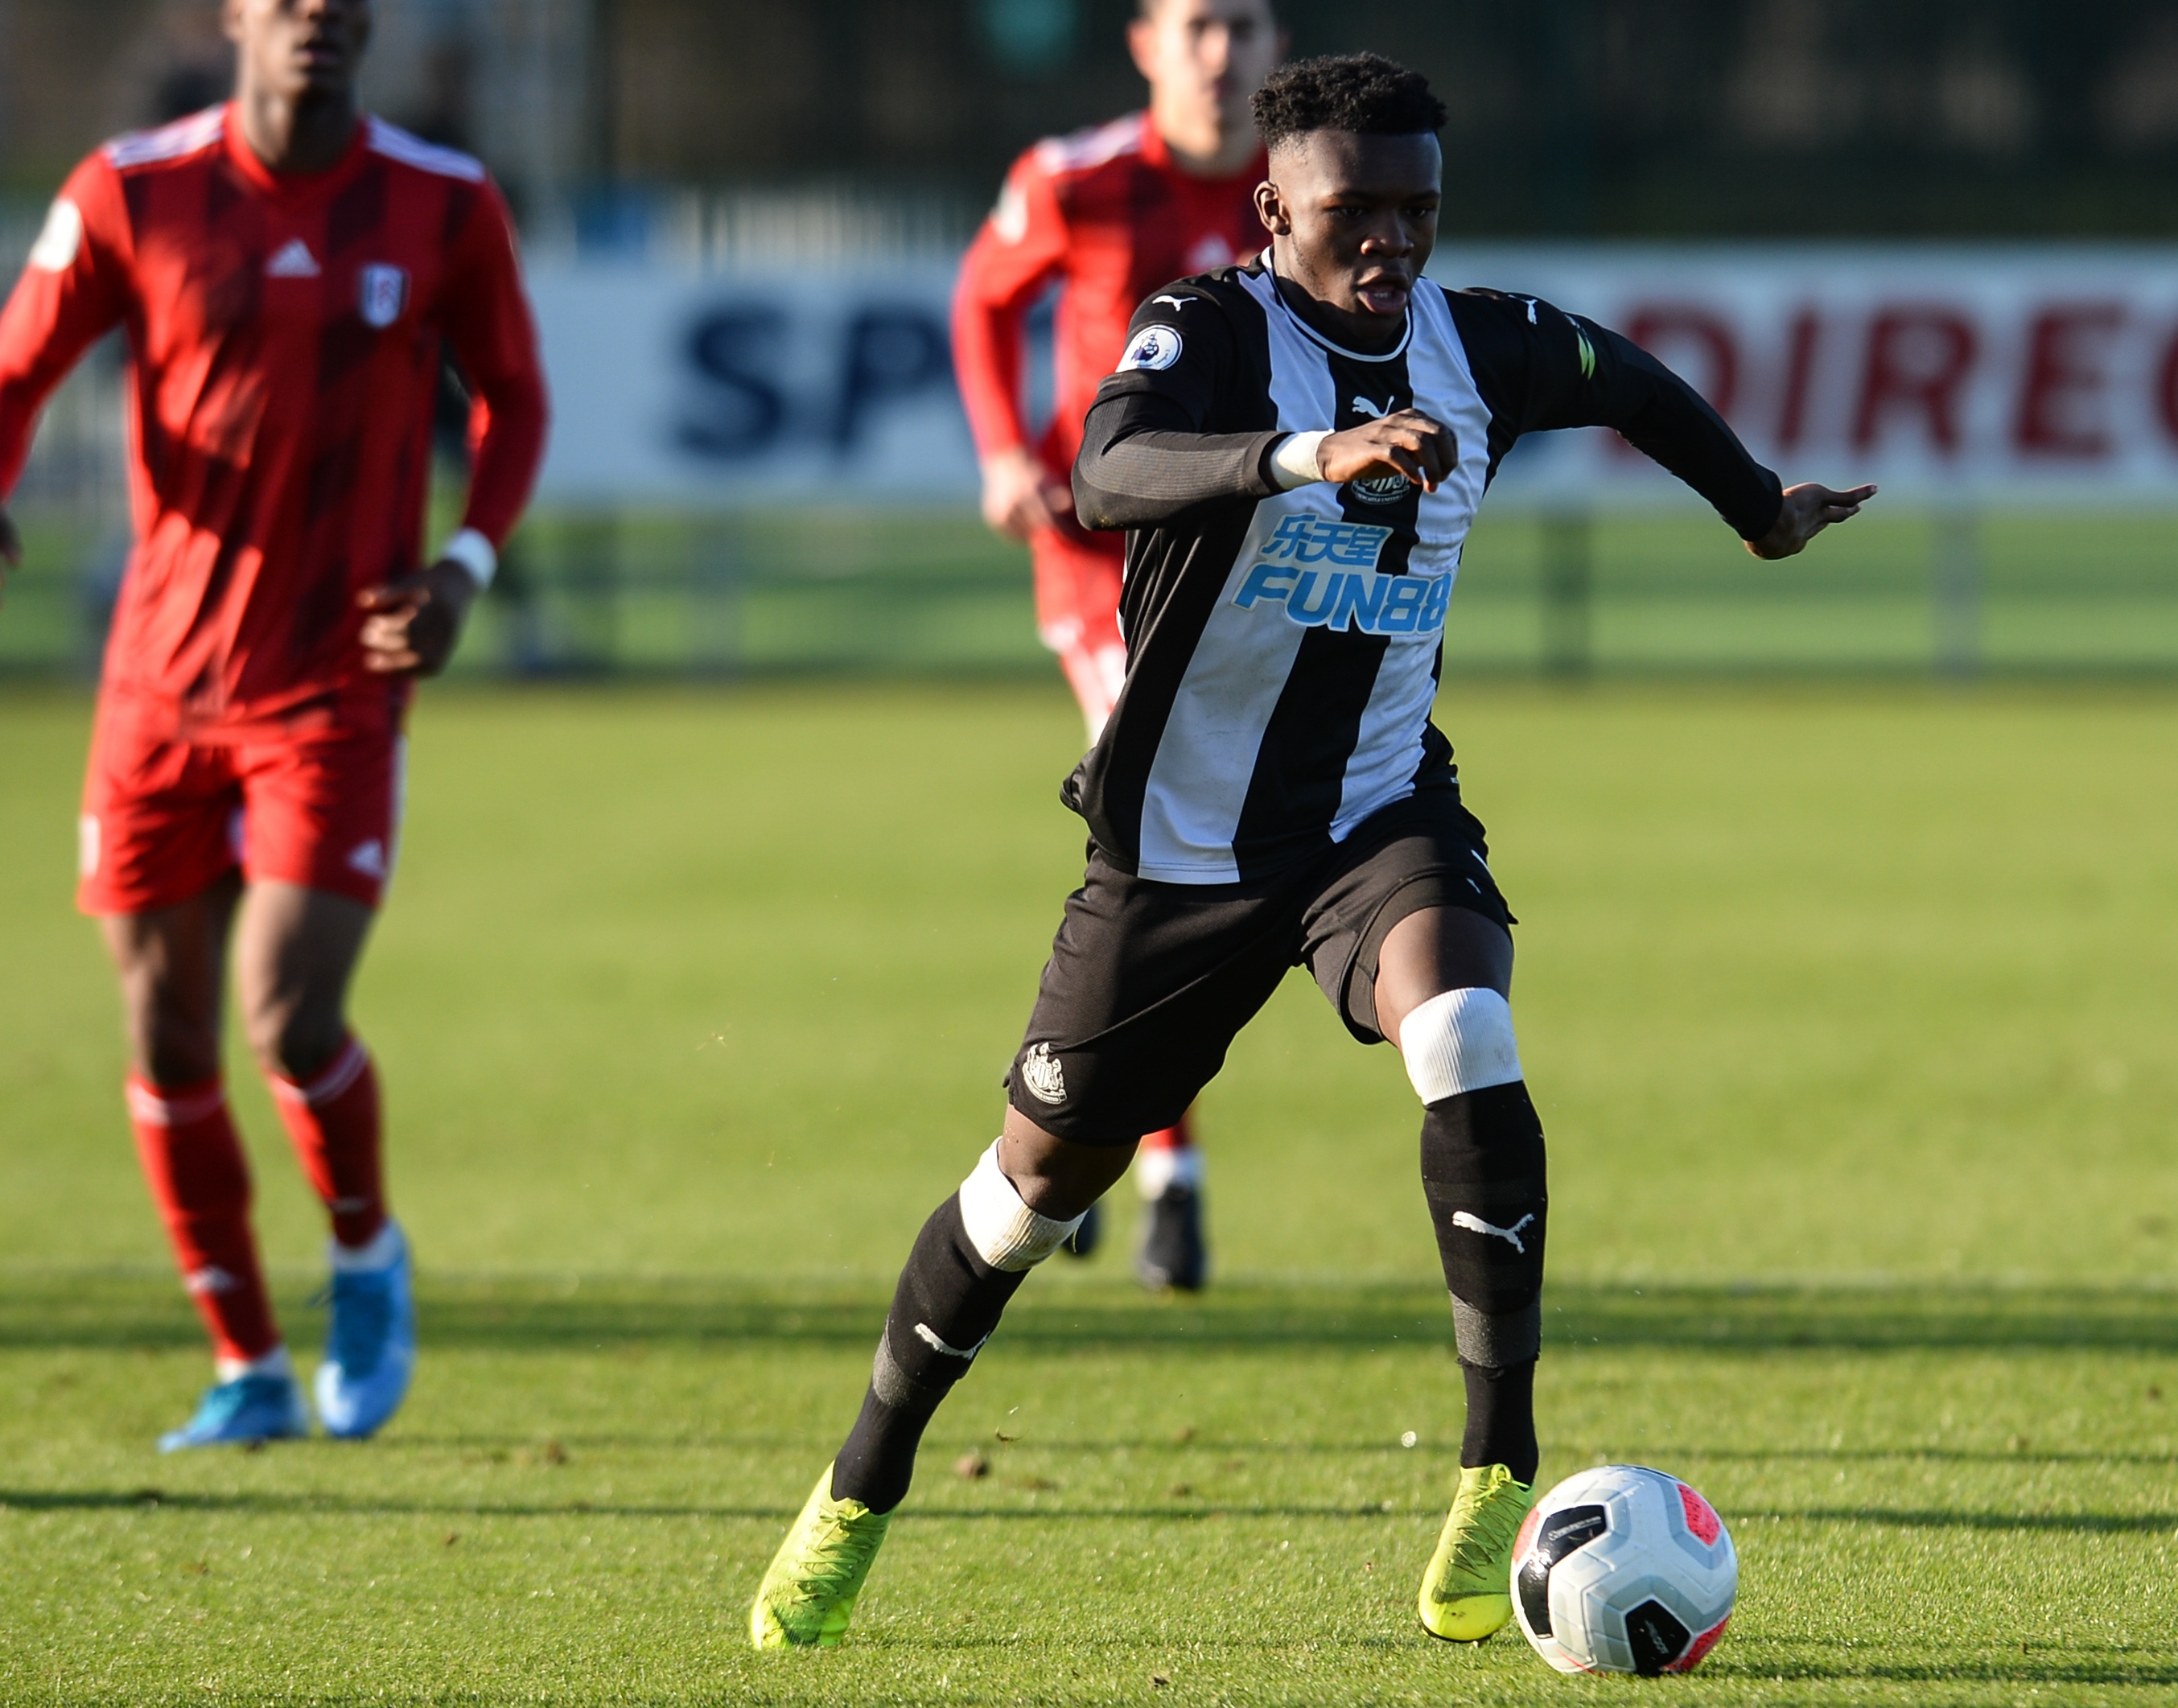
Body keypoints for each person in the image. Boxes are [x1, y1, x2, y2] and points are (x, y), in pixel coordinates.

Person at [748, 53, 1871, 1652]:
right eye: (1356, 211)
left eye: (1420, 208)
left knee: (1468, 1032)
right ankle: (858, 1485)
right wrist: (1302, 456)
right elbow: (1103, 471)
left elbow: (1623, 378)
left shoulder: (1481, 342)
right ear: (1275, 207)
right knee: (1027, 1199)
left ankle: (1498, 1471)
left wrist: (1755, 507)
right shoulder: (1209, 330)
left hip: (1376, 813)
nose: (1392, 241)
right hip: (1180, 860)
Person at [0, 0, 547, 1452]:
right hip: (156, 683)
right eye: (289, 1)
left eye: (344, 5)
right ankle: (245, 1362)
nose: (317, 21)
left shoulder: (442, 204)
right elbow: (7, 373)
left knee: (284, 1005)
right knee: (161, 1026)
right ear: (237, 15)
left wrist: (464, 565)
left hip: (336, 680)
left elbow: (512, 399)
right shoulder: (130, 191)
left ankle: (361, 1255)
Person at [951, 0, 1286, 1294]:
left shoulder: (1298, 187)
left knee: (1201, 851)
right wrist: (997, 454)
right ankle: (1158, 1165)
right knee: (1160, 834)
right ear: (1145, 44)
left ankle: (1080, 1113)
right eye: (1198, 24)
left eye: (1244, 25)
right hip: (1104, 573)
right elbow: (981, 301)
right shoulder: (1076, 180)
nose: (1222, 51)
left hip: (1257, 571)